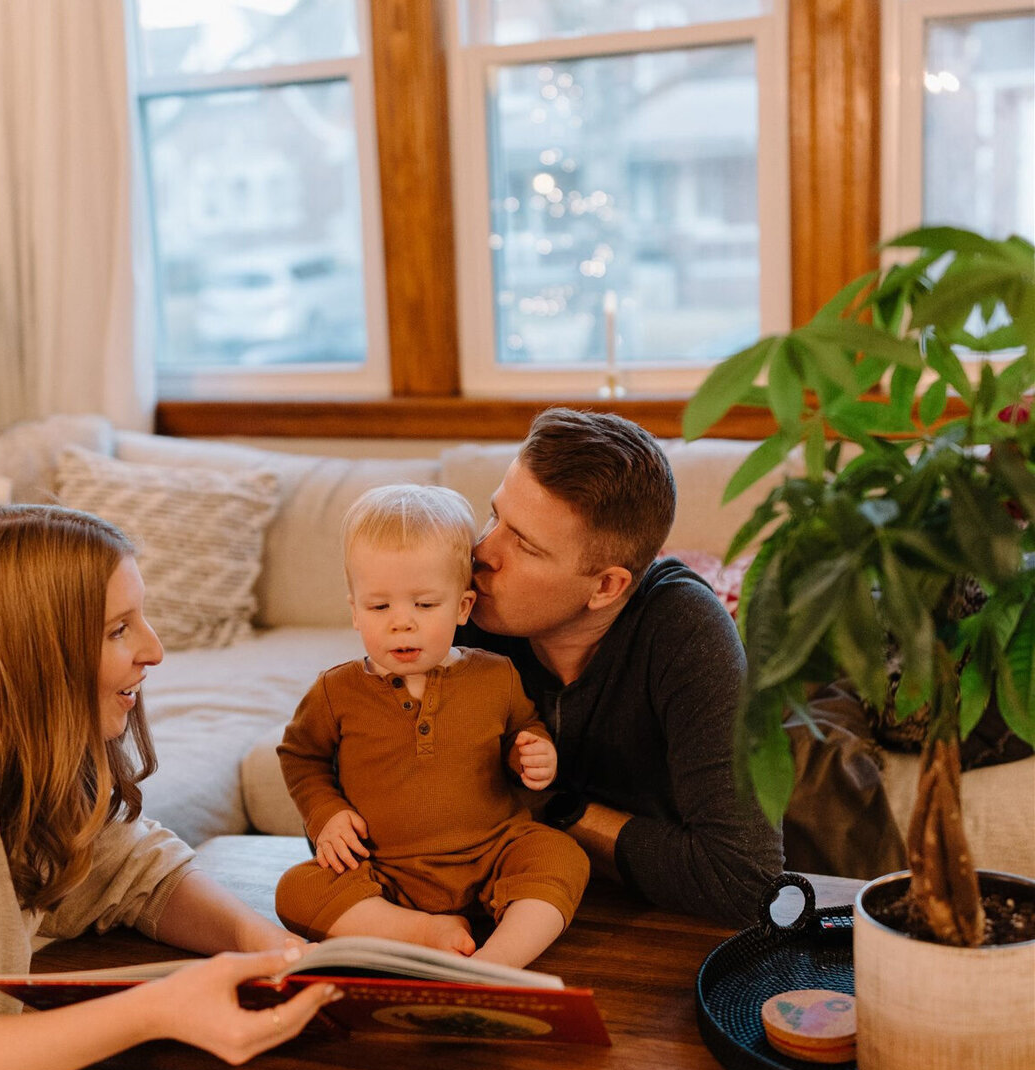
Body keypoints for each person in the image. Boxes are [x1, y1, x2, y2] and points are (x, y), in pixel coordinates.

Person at [0, 505, 339, 1070]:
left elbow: (127, 864)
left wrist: (257, 940)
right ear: (27, 657)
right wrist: (154, 1009)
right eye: (117, 630)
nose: (153, 650)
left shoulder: (11, 767)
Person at [465, 408, 783, 926]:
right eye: (495, 515)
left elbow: (745, 879)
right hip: (500, 911)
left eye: (523, 543)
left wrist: (555, 809)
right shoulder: (465, 602)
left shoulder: (684, 629)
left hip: (655, 932)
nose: (482, 551)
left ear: (607, 586)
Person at [275, 485, 589, 969]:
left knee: (562, 855)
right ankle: (417, 931)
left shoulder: (496, 674)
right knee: (296, 890)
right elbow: (301, 757)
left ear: (462, 608)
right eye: (380, 607)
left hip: (493, 851)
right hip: (383, 870)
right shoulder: (335, 692)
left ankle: (497, 962)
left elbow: (521, 730)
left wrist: (533, 753)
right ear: (355, 611)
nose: (402, 623)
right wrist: (325, 812)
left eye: (424, 605)